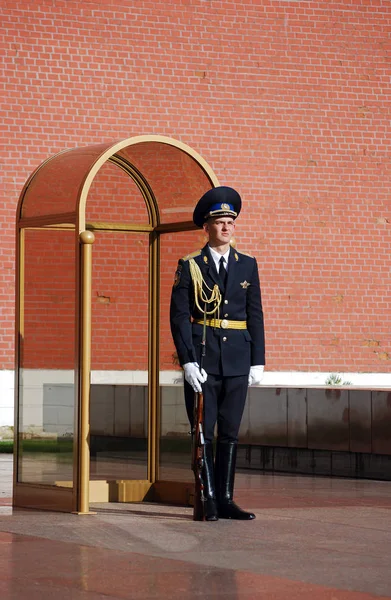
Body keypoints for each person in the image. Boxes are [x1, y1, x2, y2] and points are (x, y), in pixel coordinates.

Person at [170, 186, 265, 521]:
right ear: (206, 228)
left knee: (229, 431)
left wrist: (258, 360)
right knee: (203, 430)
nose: (226, 227)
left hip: (238, 359)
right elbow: (180, 316)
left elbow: (255, 313)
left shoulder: (247, 265)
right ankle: (206, 497)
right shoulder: (190, 265)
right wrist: (187, 360)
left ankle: (225, 498)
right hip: (204, 359)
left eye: (230, 222)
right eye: (220, 222)